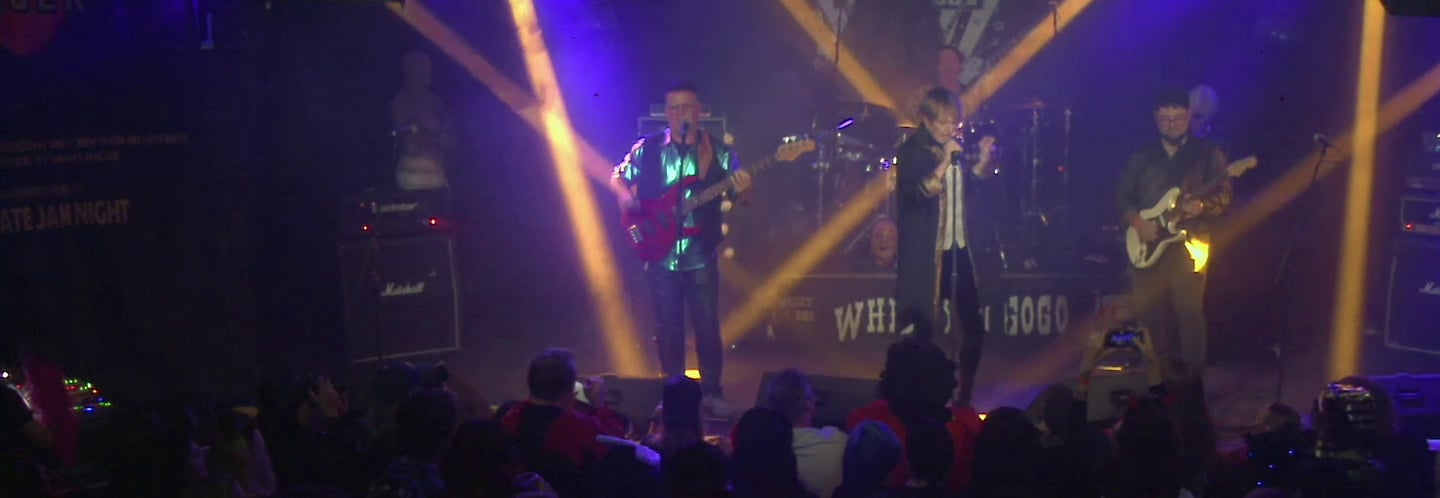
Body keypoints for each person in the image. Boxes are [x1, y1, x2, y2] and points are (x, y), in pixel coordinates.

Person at [612, 82, 752, 417]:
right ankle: (672, 392)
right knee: (668, 326)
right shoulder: (647, 148)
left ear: (699, 111)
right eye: (674, 107)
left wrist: (746, 190)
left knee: (707, 326)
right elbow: (618, 176)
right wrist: (626, 198)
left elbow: (741, 197)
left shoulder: (718, 151)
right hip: (660, 252)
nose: (680, 114)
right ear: (666, 112)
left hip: (700, 252)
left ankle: (712, 392)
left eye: (686, 107)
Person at [1115, 90, 1232, 371]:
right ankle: (1154, 375)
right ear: (1156, 119)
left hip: (1190, 242)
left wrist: (1202, 206)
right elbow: (1122, 196)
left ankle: (1192, 378)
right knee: (1148, 313)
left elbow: (1225, 194)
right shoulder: (1142, 155)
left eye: (1178, 118)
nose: (1172, 124)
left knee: (1189, 312)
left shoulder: (1207, 153)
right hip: (1146, 243)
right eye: (1165, 119)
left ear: (1189, 116)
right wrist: (1138, 223)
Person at [892, 86, 993, 406]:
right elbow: (910, 197)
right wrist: (945, 161)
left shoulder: (957, 148)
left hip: (959, 249)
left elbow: (966, 193)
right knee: (921, 330)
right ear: (927, 119)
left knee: (973, 326)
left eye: (955, 122)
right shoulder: (911, 151)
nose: (951, 129)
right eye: (944, 122)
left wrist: (980, 165)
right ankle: (917, 399)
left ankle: (965, 394)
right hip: (926, 253)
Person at [390, 51, 454, 190]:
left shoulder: (435, 101)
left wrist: (440, 134)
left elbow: (447, 137)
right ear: (410, 71)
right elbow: (407, 140)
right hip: (411, 172)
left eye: (428, 68)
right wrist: (428, 132)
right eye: (422, 68)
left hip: (436, 170)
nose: (428, 73)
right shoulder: (401, 101)